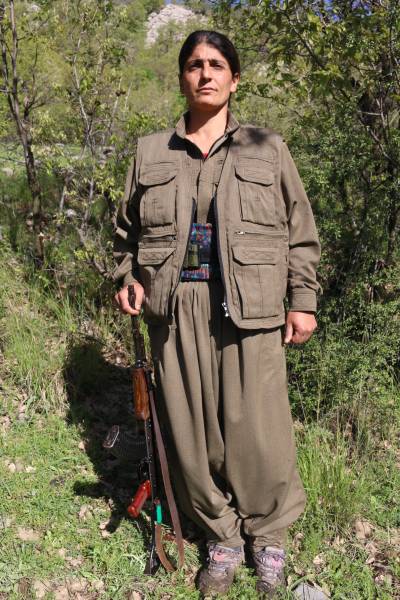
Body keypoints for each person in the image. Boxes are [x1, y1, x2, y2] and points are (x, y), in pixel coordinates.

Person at [113, 30, 320, 598]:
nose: (205, 74)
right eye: (194, 65)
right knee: (189, 428)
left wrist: (302, 300)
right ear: (182, 77)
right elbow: (127, 235)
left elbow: (300, 231)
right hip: (177, 304)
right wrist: (128, 279)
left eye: (216, 65)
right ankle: (221, 536)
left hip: (250, 304)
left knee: (260, 429)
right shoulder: (150, 152)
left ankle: (268, 536)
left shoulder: (266, 147)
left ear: (234, 78)